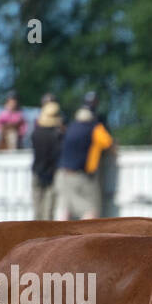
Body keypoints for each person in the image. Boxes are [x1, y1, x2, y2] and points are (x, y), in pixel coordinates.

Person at [55, 92, 114, 220]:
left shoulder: (71, 127)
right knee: (91, 211)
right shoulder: (95, 127)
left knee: (65, 209)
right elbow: (108, 143)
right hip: (83, 176)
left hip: (63, 174)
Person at [31, 97, 63, 221]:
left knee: (37, 210)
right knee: (48, 212)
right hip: (51, 174)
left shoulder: (36, 133)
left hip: (37, 172)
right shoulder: (56, 136)